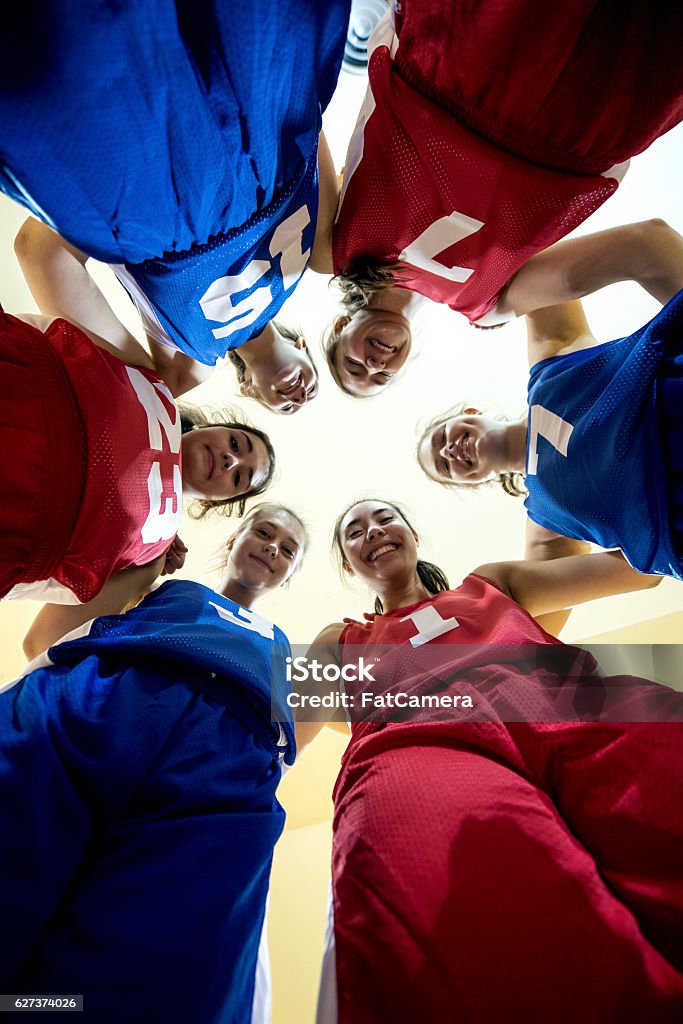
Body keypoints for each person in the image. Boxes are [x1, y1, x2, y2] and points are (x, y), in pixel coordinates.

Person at [298, 499, 683, 1024]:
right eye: (354, 531)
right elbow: (290, 728)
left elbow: (640, 573)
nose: (373, 532)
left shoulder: (490, 584)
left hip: (570, 708)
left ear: (412, 534)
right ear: (348, 564)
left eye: (384, 518)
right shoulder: (339, 641)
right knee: (485, 925)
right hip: (421, 748)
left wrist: (559, 477)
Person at [0, 503, 308, 1023]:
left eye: (288, 550)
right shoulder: (165, 585)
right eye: (263, 532)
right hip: (111, 694)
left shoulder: (287, 651)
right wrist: (144, 561)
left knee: (161, 960)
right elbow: (44, 637)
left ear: (291, 575)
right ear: (233, 539)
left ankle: (32, 1008)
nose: (272, 548)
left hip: (225, 755)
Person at [318, 0, 683, 394]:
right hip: (589, 125)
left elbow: (301, 124)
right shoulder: (489, 308)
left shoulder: (332, 253)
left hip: (459, 65)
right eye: (382, 378)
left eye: (353, 366)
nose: (374, 364)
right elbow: (644, 247)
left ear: (341, 327)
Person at [0, 0, 350, 396]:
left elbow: (41, 254)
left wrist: (103, 212)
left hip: (165, 182)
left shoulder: (187, 366)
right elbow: (311, 135)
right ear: (304, 347)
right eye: (313, 391)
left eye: (286, 407)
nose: (298, 397)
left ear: (249, 389)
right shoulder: (314, 259)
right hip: (264, 107)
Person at [1, 217, 275, 609]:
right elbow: (42, 252)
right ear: (212, 426)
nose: (231, 459)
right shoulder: (149, 382)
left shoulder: (151, 556)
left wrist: (146, 582)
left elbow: (48, 645)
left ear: (217, 502)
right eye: (236, 442)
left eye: (241, 477)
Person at [418, 218, 683, 580]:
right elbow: (530, 618)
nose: (449, 451)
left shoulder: (551, 364)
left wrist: (490, 298)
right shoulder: (545, 521)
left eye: (441, 438)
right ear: (475, 482)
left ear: (471, 412)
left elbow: (525, 240)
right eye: (445, 466)